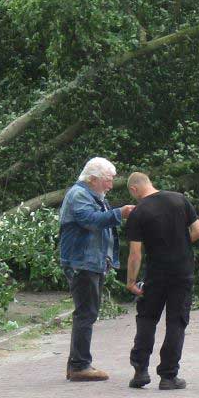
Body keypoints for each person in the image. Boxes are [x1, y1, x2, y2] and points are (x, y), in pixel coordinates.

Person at [122, 172, 199, 391]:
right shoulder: (180, 199)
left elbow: (135, 254)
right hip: (182, 272)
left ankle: (140, 371)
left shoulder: (139, 212)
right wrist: (182, 246)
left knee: (147, 319)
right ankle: (168, 376)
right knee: (176, 322)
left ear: (134, 190)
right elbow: (197, 231)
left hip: (155, 273)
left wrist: (131, 282)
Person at [57, 157, 133, 381]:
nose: (110, 186)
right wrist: (120, 213)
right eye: (108, 181)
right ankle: (80, 365)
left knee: (87, 311)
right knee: (86, 312)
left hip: (90, 262)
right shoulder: (79, 194)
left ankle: (77, 363)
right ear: (93, 179)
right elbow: (90, 221)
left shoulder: (93, 195)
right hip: (82, 262)